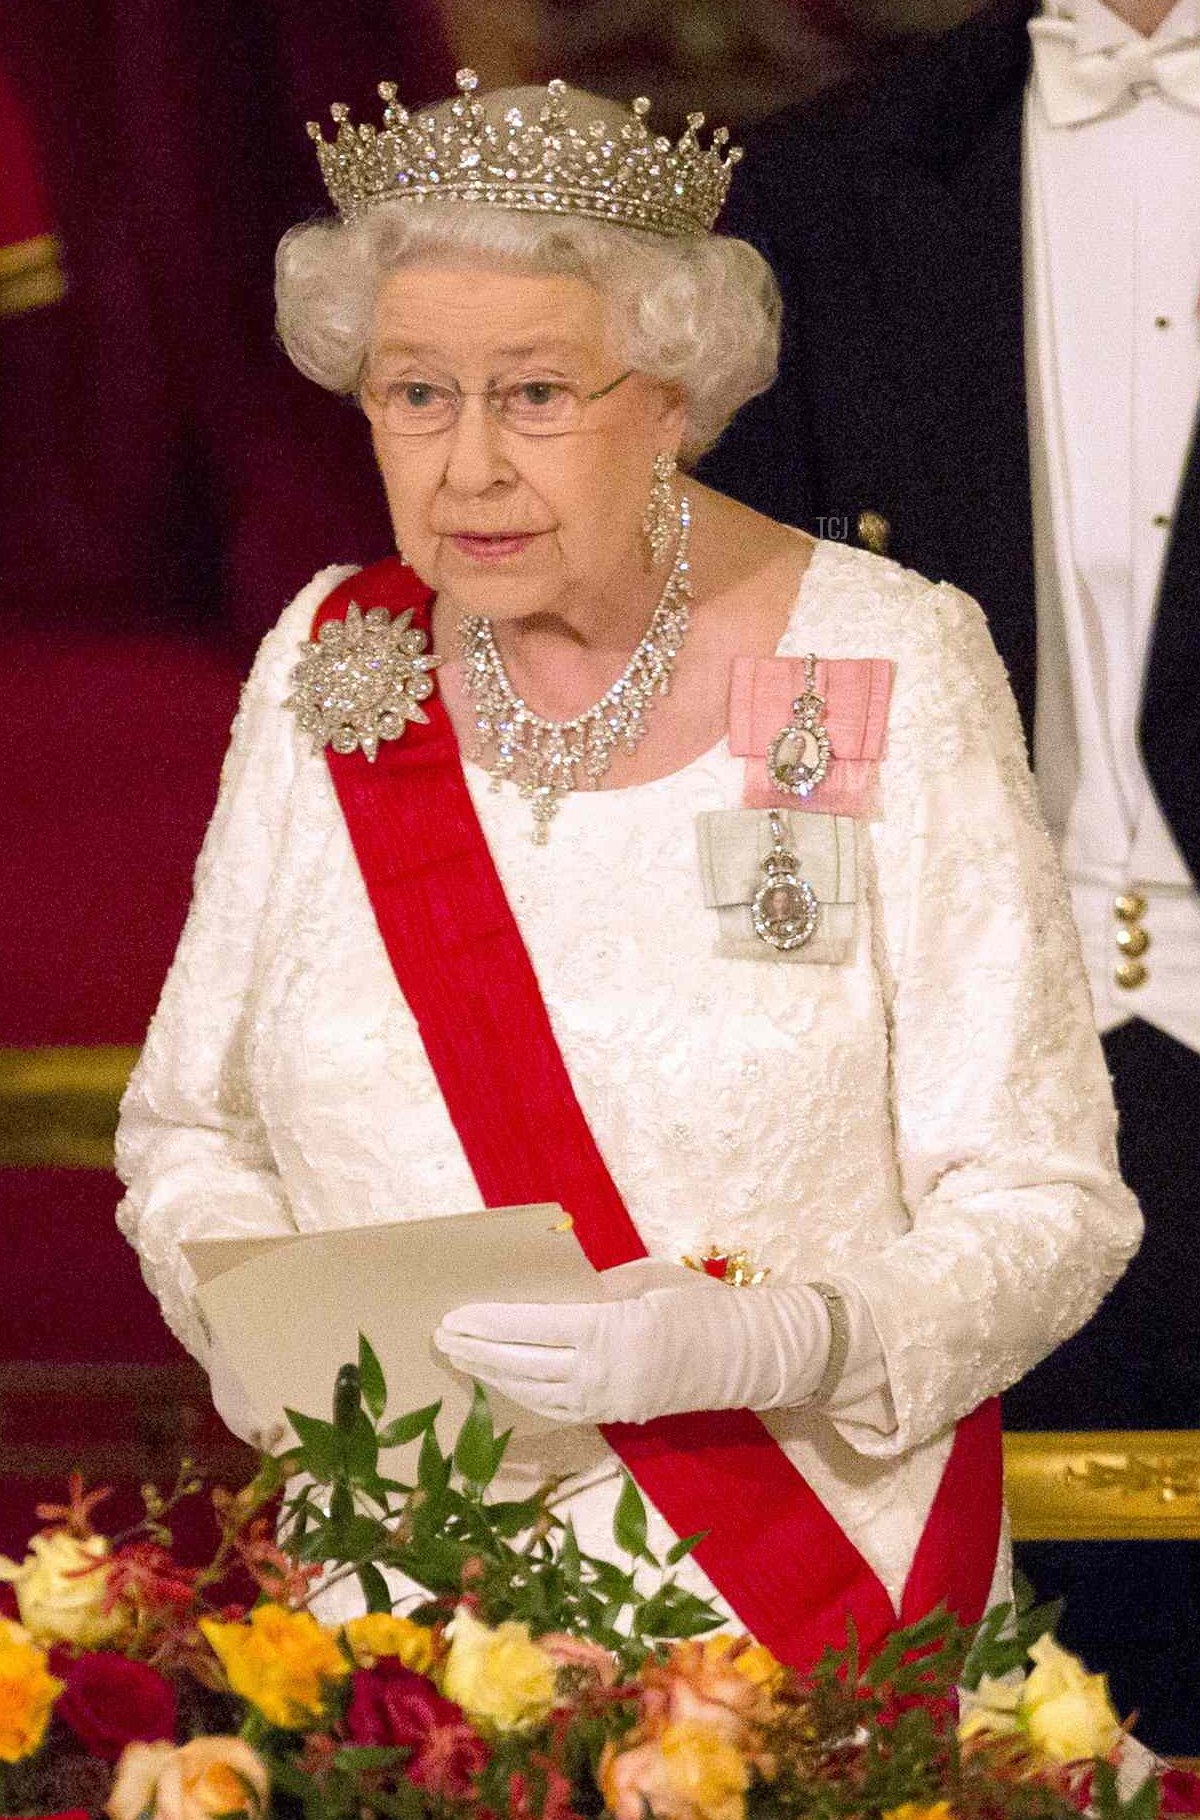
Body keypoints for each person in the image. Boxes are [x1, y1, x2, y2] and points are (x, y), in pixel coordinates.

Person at [115, 70, 1141, 1665]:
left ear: (673, 395)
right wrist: (250, 1323)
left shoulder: (874, 656)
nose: (466, 468)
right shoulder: (329, 656)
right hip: (395, 1626)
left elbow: (1047, 1200)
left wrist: (784, 1332)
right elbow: (189, 1124)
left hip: (795, 1617)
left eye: (534, 393)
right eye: (414, 395)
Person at [695, 0, 1199, 1744]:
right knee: (979, 1691)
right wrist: (782, 1000)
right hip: (976, 1055)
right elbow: (787, 651)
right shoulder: (831, 181)